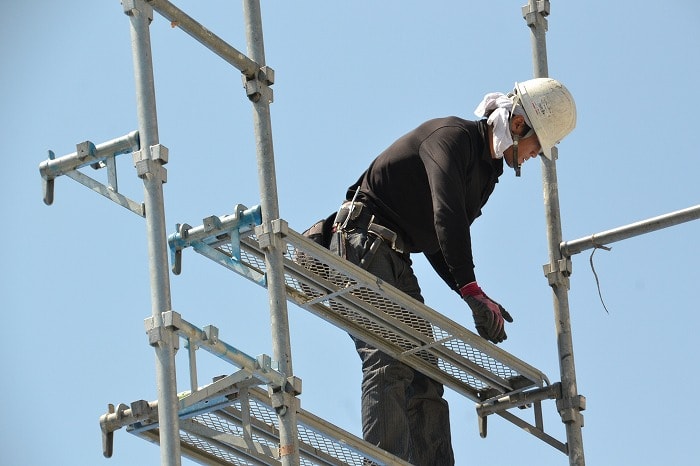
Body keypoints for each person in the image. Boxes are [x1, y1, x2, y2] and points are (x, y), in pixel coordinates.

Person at [327, 78, 577, 465]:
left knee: (424, 371)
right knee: (389, 359)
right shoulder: (452, 138)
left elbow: (440, 242)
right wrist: (470, 287)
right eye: (536, 146)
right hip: (361, 241)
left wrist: (472, 293)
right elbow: (446, 216)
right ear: (517, 125)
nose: (532, 156)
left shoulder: (485, 176)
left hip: (393, 256)